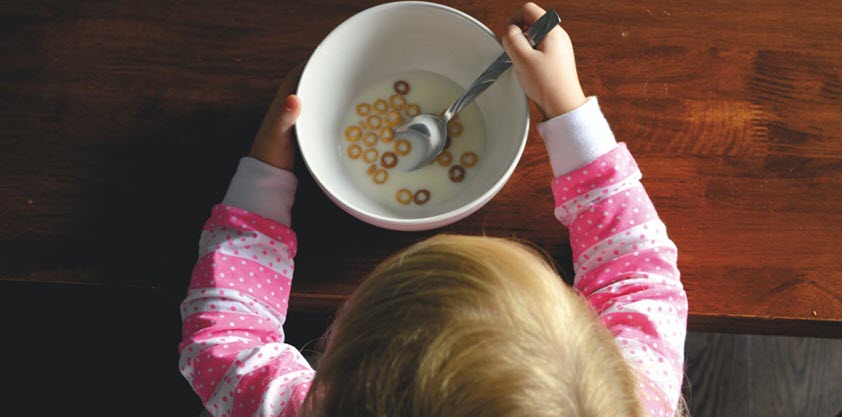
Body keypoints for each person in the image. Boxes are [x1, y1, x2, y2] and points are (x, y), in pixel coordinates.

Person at [179, 3, 688, 416]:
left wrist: (265, 175)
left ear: (337, 369)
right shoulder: (625, 399)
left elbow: (224, 341)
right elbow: (639, 273)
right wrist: (566, 107)